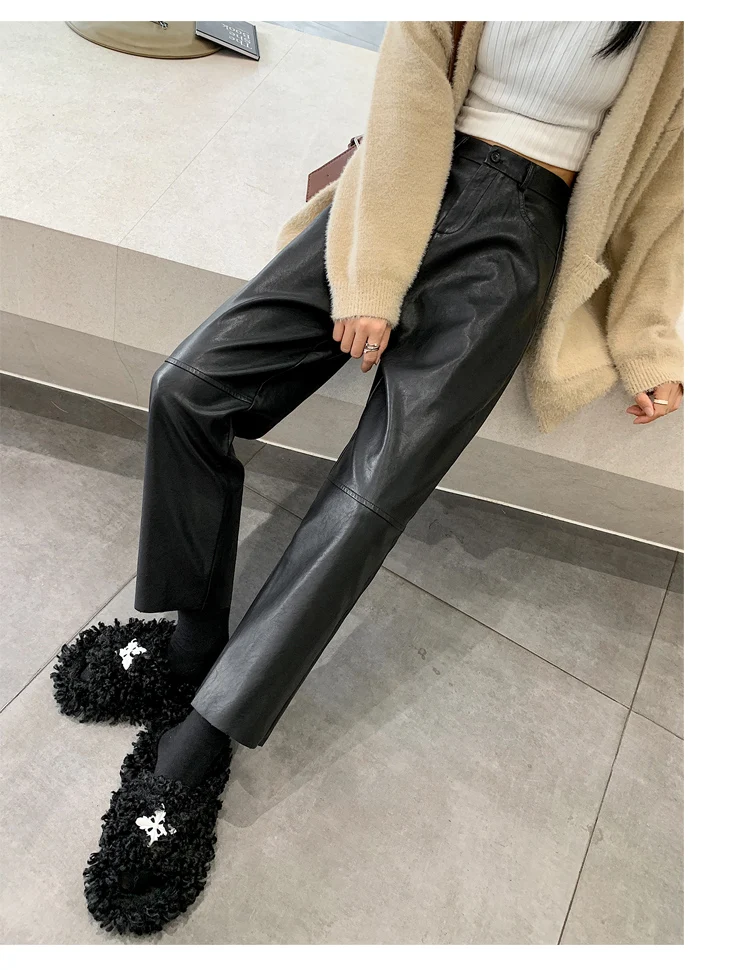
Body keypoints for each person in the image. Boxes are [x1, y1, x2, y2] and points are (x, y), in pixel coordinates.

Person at [51, 21, 684, 935]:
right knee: (188, 390)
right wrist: (376, 277)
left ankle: (204, 734)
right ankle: (191, 645)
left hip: (522, 237)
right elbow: (412, 83)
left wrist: (649, 341)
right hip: (405, 178)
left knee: (369, 498)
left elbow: (668, 186)